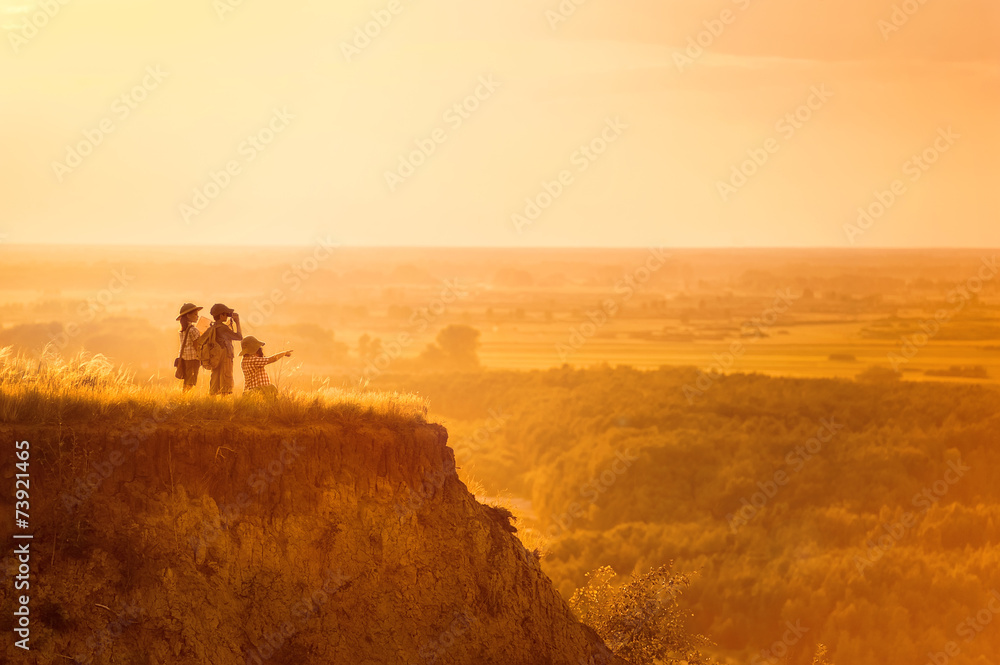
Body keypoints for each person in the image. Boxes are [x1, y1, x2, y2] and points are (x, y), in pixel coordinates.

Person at [208, 303, 243, 396]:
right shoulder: (223, 328)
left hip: (215, 358)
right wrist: (237, 322)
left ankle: (212, 402)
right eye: (226, 314)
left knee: (215, 378)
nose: (227, 316)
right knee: (225, 380)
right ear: (221, 315)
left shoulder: (213, 326)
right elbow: (239, 337)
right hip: (224, 358)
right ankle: (224, 402)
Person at [175, 303, 203, 392]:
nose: (197, 317)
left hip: (184, 358)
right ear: (188, 315)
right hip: (193, 358)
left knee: (187, 380)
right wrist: (202, 356)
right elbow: (196, 345)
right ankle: (186, 397)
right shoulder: (193, 330)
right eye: (195, 314)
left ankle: (184, 397)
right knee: (191, 381)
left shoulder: (182, 330)